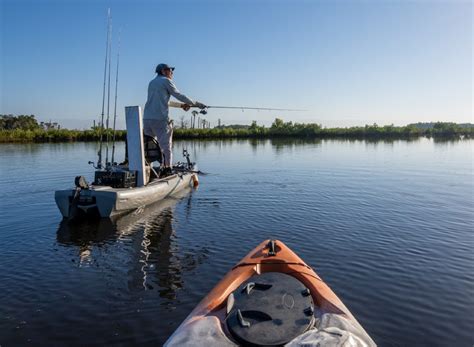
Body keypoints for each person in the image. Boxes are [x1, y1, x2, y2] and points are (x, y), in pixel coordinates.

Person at [143, 63, 206, 177]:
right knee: (166, 147)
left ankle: (148, 170)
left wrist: (181, 106)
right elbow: (178, 94)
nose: (172, 72)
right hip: (160, 120)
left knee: (149, 146)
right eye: (170, 70)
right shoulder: (166, 81)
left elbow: (164, 101)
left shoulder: (152, 83)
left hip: (147, 119)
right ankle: (167, 170)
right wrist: (197, 104)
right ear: (163, 71)